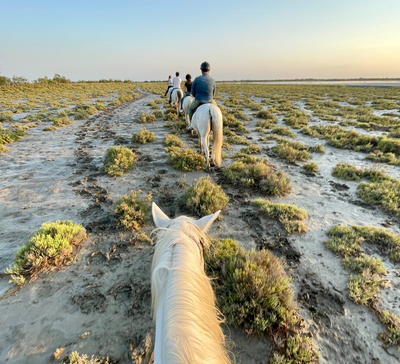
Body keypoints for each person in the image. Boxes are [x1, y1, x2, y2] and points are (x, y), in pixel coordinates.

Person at [187, 62, 217, 131]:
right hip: (210, 100)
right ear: (209, 70)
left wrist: (195, 96)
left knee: (190, 109)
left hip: (199, 100)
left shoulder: (197, 79)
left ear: (201, 70)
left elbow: (193, 92)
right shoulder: (212, 80)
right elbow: (213, 93)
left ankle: (191, 124)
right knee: (217, 110)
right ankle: (219, 125)